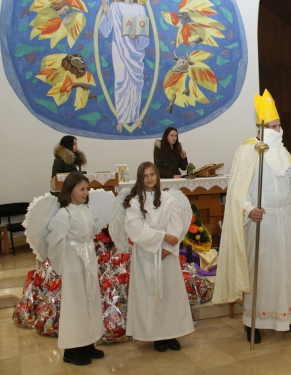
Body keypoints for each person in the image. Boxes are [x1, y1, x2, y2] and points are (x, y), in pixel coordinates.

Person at [213, 89, 291, 344]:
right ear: (261, 128)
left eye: (280, 125)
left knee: (285, 271)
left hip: (285, 221)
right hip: (262, 223)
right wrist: (249, 210)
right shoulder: (247, 153)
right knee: (261, 272)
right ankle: (253, 323)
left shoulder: (283, 153)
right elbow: (236, 191)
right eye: (274, 126)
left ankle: (287, 316)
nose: (279, 130)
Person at [123, 162, 194, 352]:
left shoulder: (168, 198)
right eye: (145, 175)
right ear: (140, 178)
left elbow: (175, 224)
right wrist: (161, 239)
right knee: (151, 294)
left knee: (170, 293)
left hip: (167, 254)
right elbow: (136, 229)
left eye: (152, 174)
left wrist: (168, 248)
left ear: (157, 176)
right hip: (146, 254)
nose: (149, 178)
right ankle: (156, 336)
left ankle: (171, 333)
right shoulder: (135, 201)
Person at [45, 172, 105, 365]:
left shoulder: (88, 210)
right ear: (70, 190)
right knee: (75, 303)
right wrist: (64, 261)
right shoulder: (65, 214)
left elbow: (92, 231)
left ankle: (87, 342)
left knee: (89, 299)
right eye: (81, 189)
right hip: (72, 262)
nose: (86, 192)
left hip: (87, 259)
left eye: (87, 189)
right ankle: (71, 349)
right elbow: (54, 240)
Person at [99, 0, 150, 133]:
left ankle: (135, 116)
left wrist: (137, 37)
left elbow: (144, 35)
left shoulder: (140, 8)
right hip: (119, 50)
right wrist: (105, 12)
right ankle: (121, 117)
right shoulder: (115, 6)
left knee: (136, 83)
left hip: (136, 51)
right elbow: (105, 30)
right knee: (121, 81)